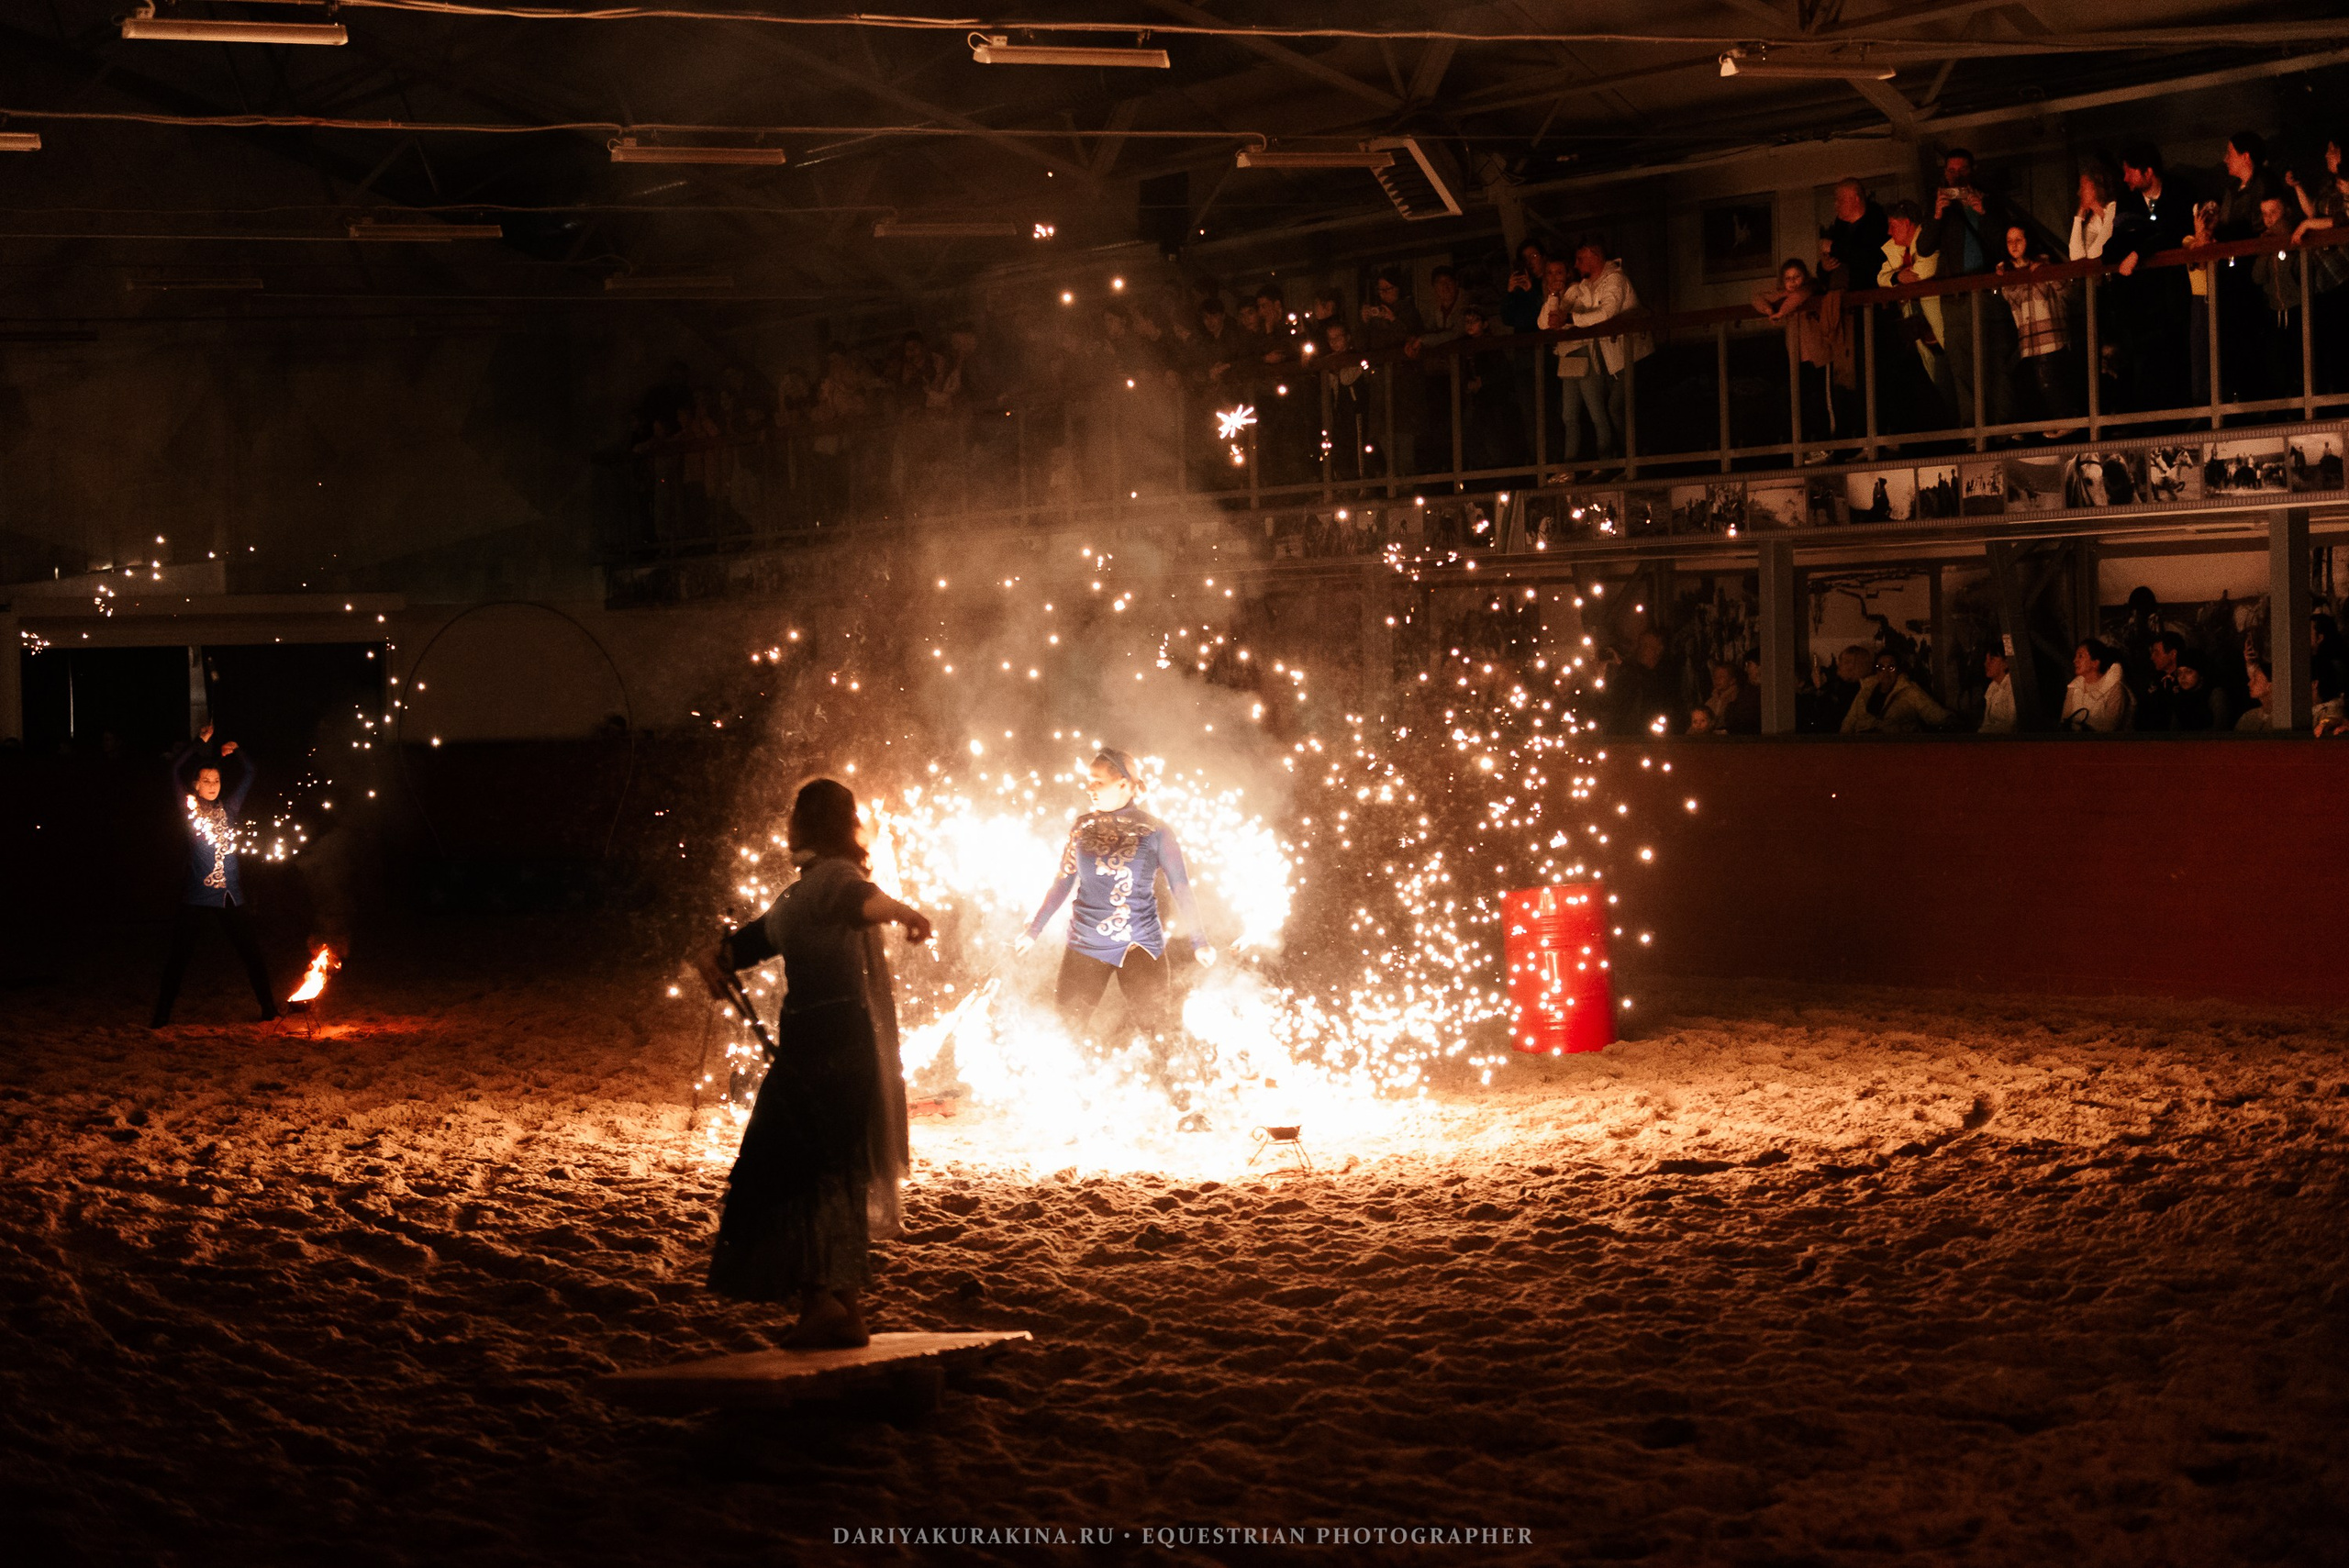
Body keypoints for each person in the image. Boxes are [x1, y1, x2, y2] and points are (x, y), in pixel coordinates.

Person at [692, 777, 931, 1349]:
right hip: (832, 1048)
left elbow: (862, 902)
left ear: (806, 824)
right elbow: (747, 945)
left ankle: (823, 1303)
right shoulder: (799, 897)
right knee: (831, 1172)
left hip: (825, 1051)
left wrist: (904, 912)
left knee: (790, 1171)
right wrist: (715, 957)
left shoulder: (830, 882)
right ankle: (841, 1306)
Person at [1016, 750, 1216, 1050]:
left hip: (1140, 946)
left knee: (1159, 1035)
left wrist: (1199, 941)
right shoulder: (1082, 827)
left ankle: (1176, 1093)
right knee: (1065, 1033)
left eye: (1097, 782)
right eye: (1087, 781)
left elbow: (1181, 887)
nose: (1088, 788)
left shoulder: (1157, 831)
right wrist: (1033, 931)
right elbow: (1063, 881)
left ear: (1123, 784)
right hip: (1086, 944)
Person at [152, 726, 279, 1027]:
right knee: (178, 959)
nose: (212, 784)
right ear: (195, 785)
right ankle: (161, 1015)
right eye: (206, 780)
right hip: (197, 896)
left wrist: (236, 752)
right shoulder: (190, 809)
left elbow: (250, 773)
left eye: (217, 780)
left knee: (252, 954)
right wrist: (199, 744)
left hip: (230, 894)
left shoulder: (230, 809)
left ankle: (269, 1009)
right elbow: (174, 769)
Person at [1920, 147, 2018, 431]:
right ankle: (1973, 432)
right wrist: (1938, 214)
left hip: (1988, 294)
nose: (1956, 177)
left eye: (1962, 171)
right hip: (1955, 300)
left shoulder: (1991, 202)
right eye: (1951, 171)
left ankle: (2004, 429)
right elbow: (1925, 247)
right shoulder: (1942, 208)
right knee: (1961, 368)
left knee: (1996, 363)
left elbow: (2006, 245)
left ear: (1972, 171)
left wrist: (1983, 211)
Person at [1752, 258, 1852, 454]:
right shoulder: (1783, 295)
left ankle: (1832, 444)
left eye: (1797, 276)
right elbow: (1757, 298)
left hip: (1820, 355)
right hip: (1798, 358)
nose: (1793, 281)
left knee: (1826, 401)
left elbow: (1799, 296)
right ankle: (1809, 444)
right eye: (1788, 278)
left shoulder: (1811, 288)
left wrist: (1780, 312)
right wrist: (1769, 310)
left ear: (1804, 276)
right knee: (1802, 402)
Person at [1997, 226, 2083, 435]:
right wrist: (2005, 275)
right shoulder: (2007, 273)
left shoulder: (2046, 264)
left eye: (2019, 239)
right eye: (2009, 241)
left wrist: (2046, 273)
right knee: (2039, 382)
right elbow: (2011, 298)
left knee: (2050, 380)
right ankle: (2059, 420)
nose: (2014, 245)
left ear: (2028, 240)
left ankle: (2066, 418)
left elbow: (2069, 294)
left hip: (2051, 332)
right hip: (2028, 337)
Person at [2284, 137, 2349, 394]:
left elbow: (2343, 219)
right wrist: (2298, 188)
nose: (2327, 154)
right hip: (2324, 273)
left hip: (2344, 271)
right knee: (2328, 342)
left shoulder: (2347, 182)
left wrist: (2308, 225)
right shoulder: (2329, 184)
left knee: (2343, 340)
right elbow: (2315, 214)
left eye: (2332, 150)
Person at [1841, 652, 1952, 734]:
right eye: (1881, 667)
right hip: (1865, 747)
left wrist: (1951, 722)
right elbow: (1851, 720)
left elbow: (1930, 711)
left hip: (1897, 747)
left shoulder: (1909, 690)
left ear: (1898, 670)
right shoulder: (1865, 691)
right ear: (1876, 670)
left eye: (1891, 667)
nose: (1885, 672)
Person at [2061, 639, 2132, 731]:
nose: (2075, 660)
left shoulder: (2114, 689)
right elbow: (2064, 721)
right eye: (2076, 656)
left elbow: (2110, 729)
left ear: (2095, 663)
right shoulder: (2074, 687)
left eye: (2080, 656)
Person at [1979, 648, 2018, 732]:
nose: (1986, 664)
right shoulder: (1992, 687)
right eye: (1986, 659)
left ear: (2006, 663)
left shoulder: (2013, 687)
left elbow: (2012, 726)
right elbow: (1987, 721)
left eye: (1992, 659)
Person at [2236, 656, 2273, 730]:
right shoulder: (2248, 717)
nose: (2249, 684)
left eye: (2256, 680)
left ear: (2270, 686)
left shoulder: (2283, 720)